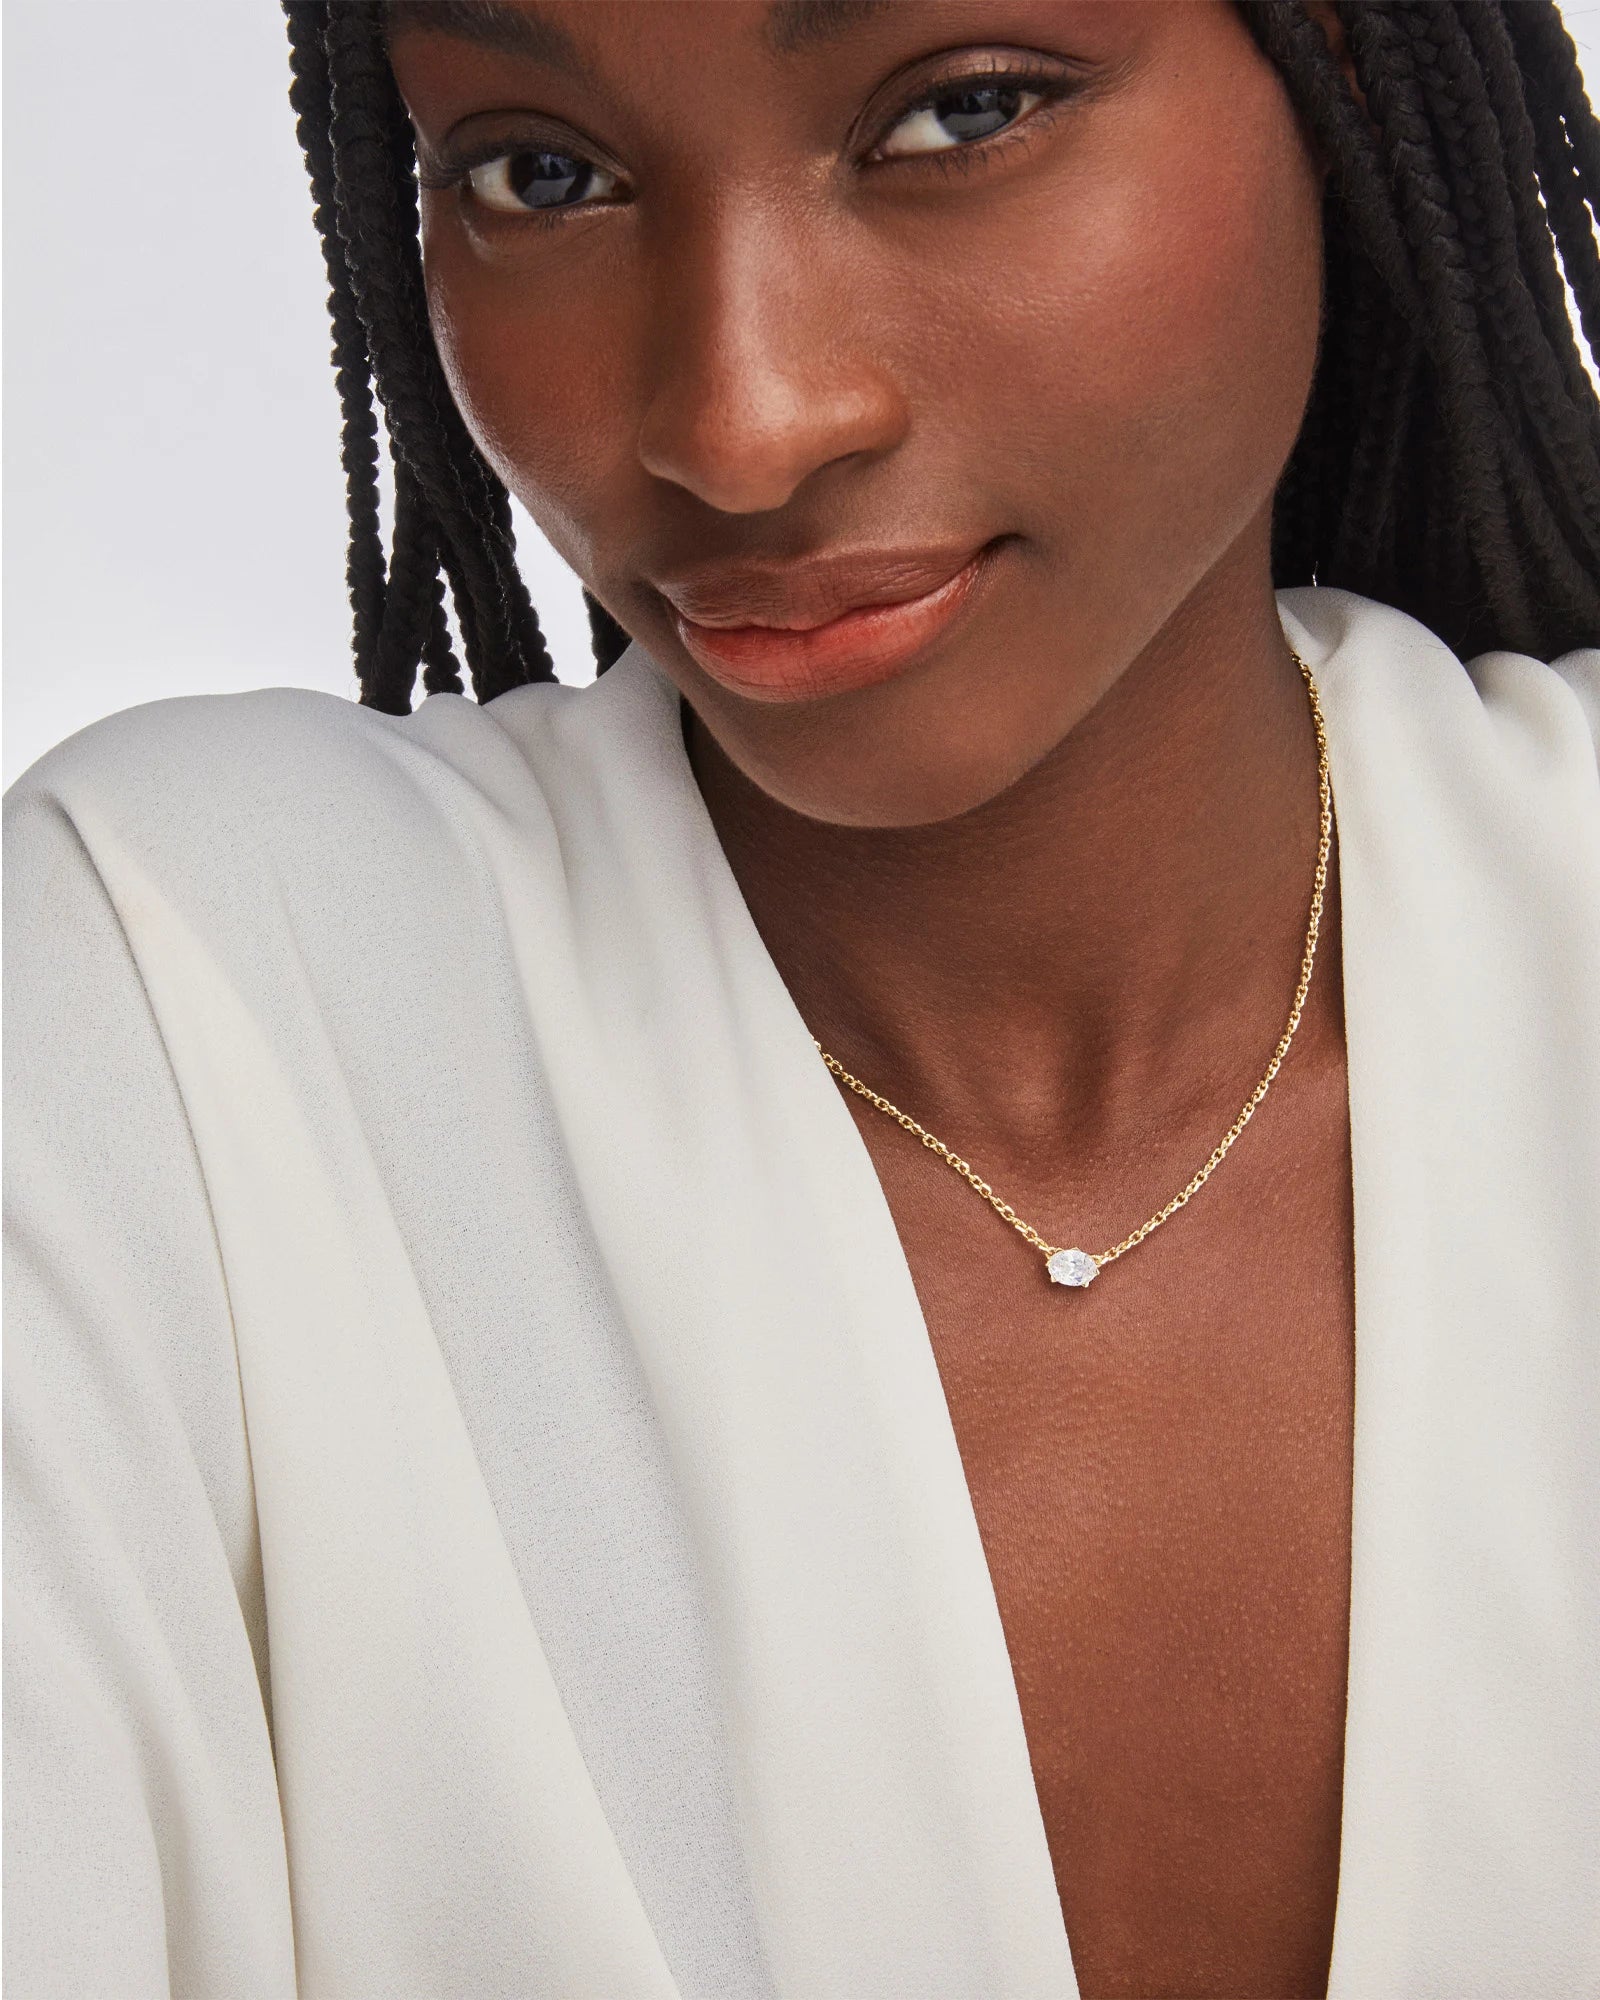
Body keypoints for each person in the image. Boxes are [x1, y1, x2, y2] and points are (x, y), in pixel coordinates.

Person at [5, 1, 1598, 1994]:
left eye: (961, 114)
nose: (740, 419)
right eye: (538, 170)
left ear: (1346, 66)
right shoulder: (177, 1021)